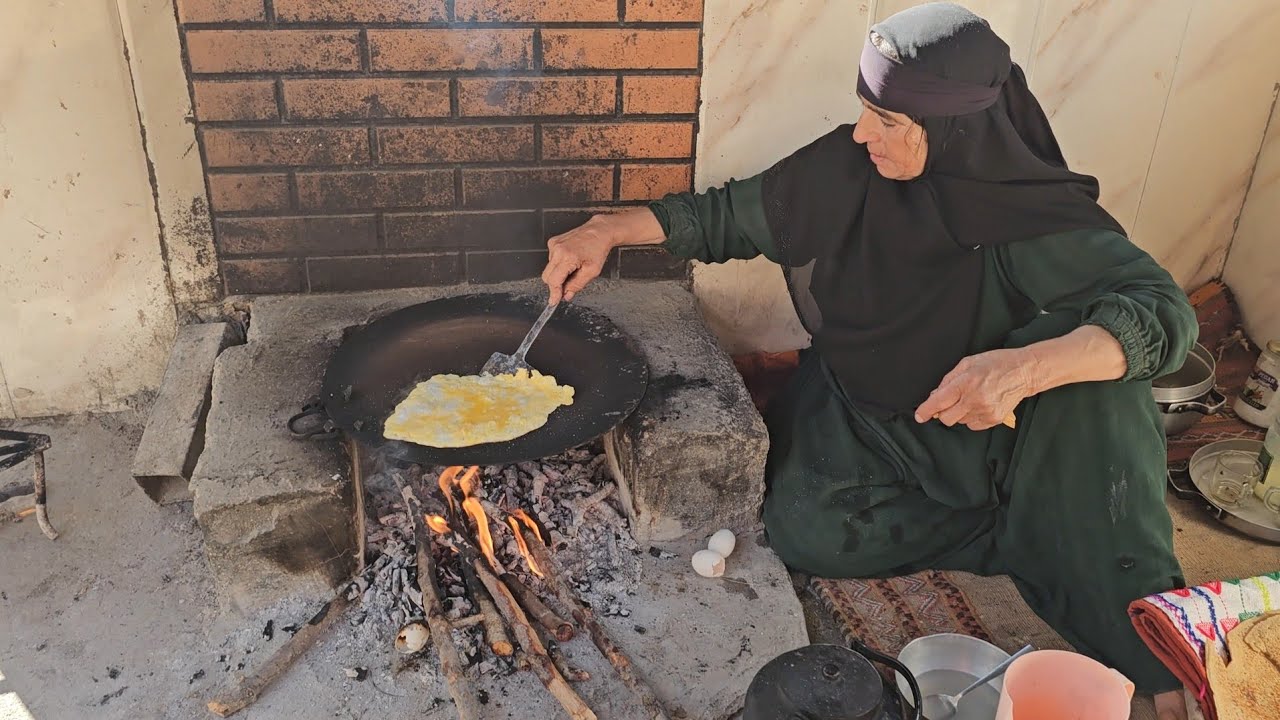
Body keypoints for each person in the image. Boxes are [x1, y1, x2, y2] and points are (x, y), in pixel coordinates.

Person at [541, 3, 1195, 718]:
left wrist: (1024, 369)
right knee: (805, 533)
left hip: (986, 421)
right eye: (865, 110)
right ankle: (1020, 532)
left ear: (955, 129)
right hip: (866, 407)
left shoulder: (1024, 221)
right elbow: (728, 215)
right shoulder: (851, 167)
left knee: (1104, 389)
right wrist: (608, 231)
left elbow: (1163, 313)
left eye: (888, 122)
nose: (861, 134)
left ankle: (1130, 615)